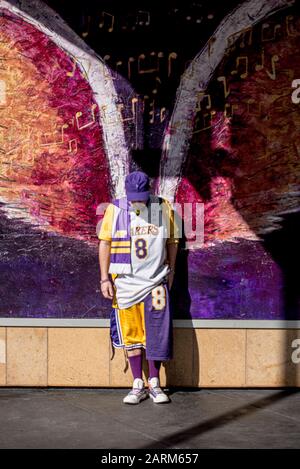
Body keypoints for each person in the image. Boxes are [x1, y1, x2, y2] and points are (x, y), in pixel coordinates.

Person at [98, 171, 180, 404]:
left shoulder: (163, 207)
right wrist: (105, 278)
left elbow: (173, 241)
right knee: (133, 334)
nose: (137, 201)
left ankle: (154, 382)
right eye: (133, 196)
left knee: (157, 332)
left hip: (155, 282)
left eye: (141, 196)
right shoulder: (115, 209)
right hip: (125, 282)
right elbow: (105, 243)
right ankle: (137, 383)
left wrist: (171, 270)